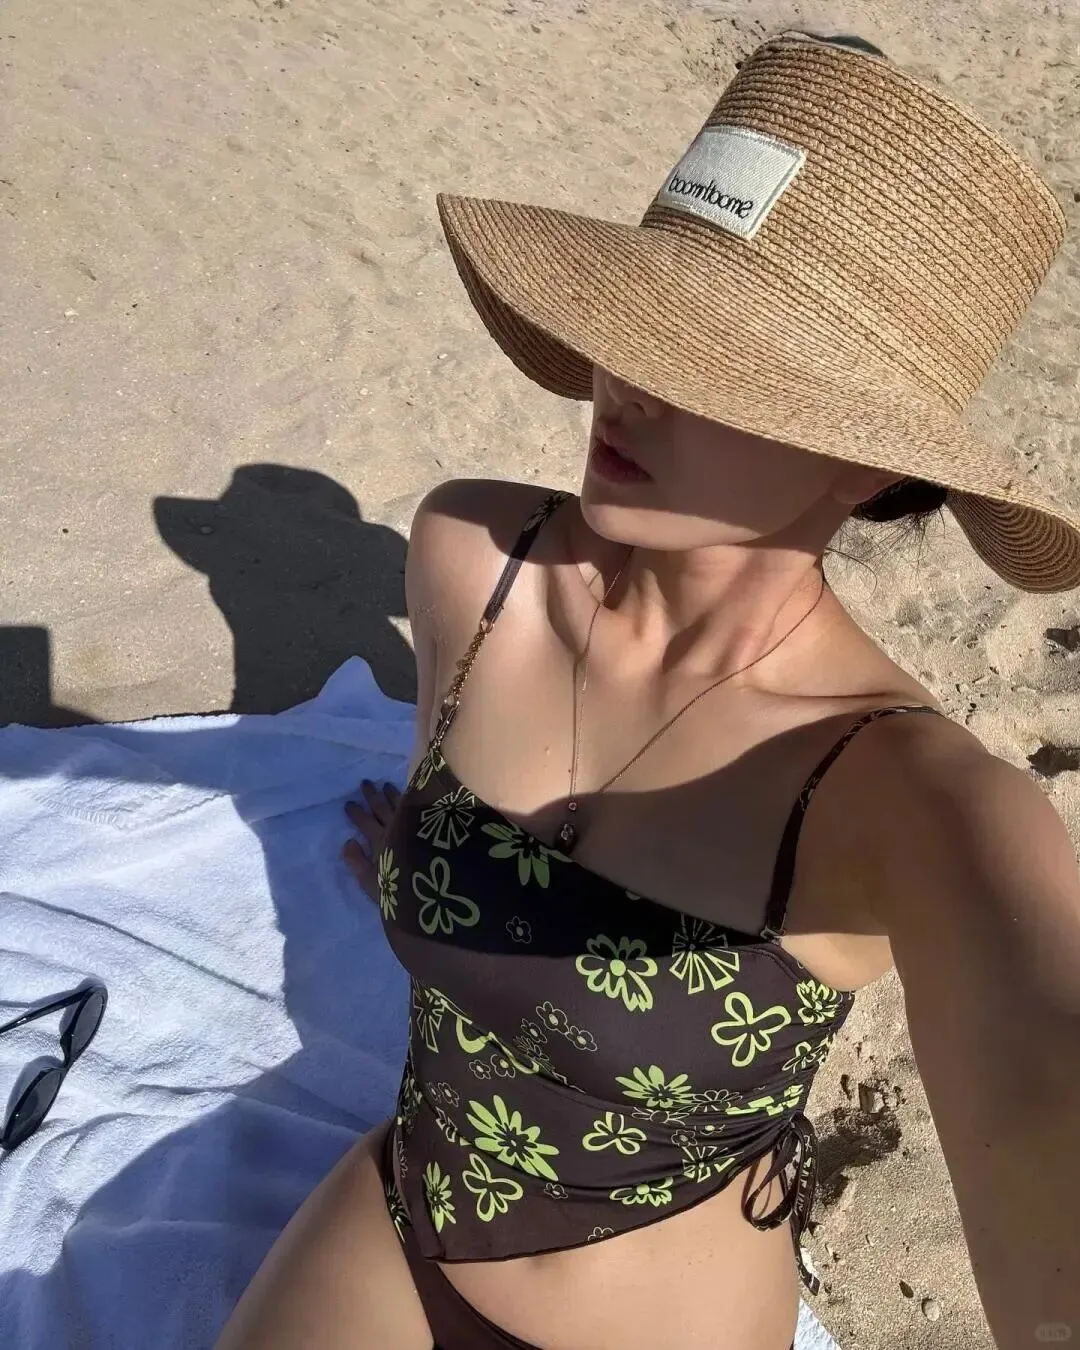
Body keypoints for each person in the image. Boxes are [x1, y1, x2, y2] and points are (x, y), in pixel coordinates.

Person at [215, 30, 1080, 1350]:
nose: (632, 385)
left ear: (867, 461)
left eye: (720, 362)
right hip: (407, 1213)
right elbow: (487, 825)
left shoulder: (900, 789)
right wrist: (438, 856)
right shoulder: (476, 563)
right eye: (639, 318)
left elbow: (1046, 1060)